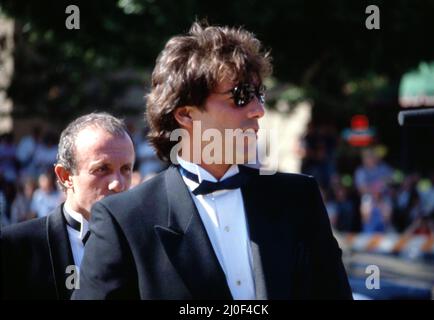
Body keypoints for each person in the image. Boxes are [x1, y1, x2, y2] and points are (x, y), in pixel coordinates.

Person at [73, 22, 352, 300]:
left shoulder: (299, 199)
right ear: (185, 114)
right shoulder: (125, 220)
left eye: (259, 95)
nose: (258, 110)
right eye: (241, 96)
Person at [1, 112, 135, 299]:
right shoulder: (15, 248)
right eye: (102, 169)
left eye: (126, 169)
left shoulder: (149, 244)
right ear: (65, 176)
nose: (118, 184)